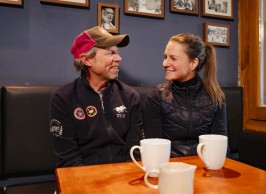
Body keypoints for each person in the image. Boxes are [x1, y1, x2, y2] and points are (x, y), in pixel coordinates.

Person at [50, 26, 144, 167]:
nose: (119, 58)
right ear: (87, 60)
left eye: (117, 52)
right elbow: (68, 158)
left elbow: (135, 151)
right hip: (84, 178)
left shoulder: (130, 96)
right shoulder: (64, 99)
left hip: (124, 175)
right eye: (110, 53)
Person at [143, 33, 227, 157]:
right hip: (169, 168)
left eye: (173, 58)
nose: (165, 63)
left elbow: (220, 148)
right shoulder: (157, 96)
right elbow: (154, 149)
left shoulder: (215, 97)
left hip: (205, 166)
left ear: (193, 63)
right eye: (165, 57)